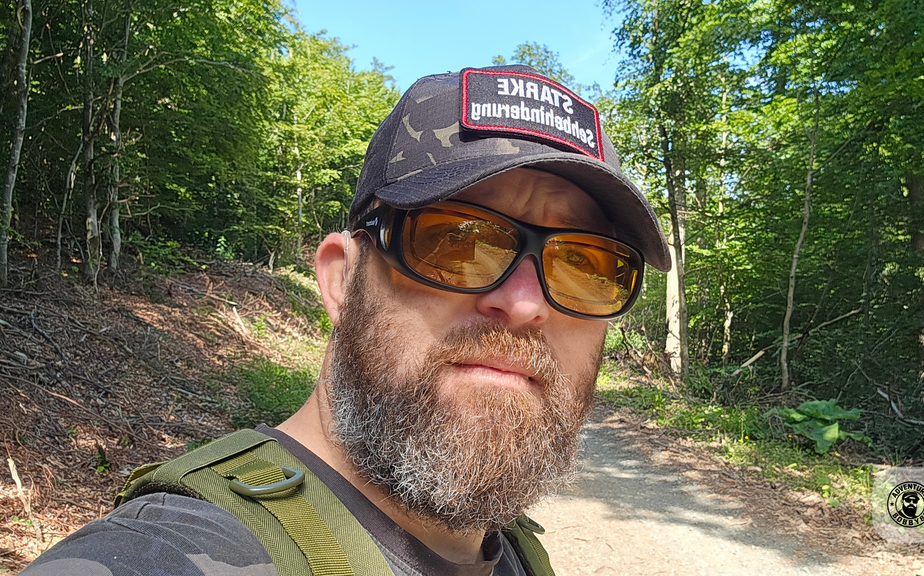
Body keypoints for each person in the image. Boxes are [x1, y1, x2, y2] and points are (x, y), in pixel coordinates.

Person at [21, 64, 671, 576]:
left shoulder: (512, 551)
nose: (526, 303)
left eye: (585, 264)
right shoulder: (168, 553)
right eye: (455, 241)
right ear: (340, 280)